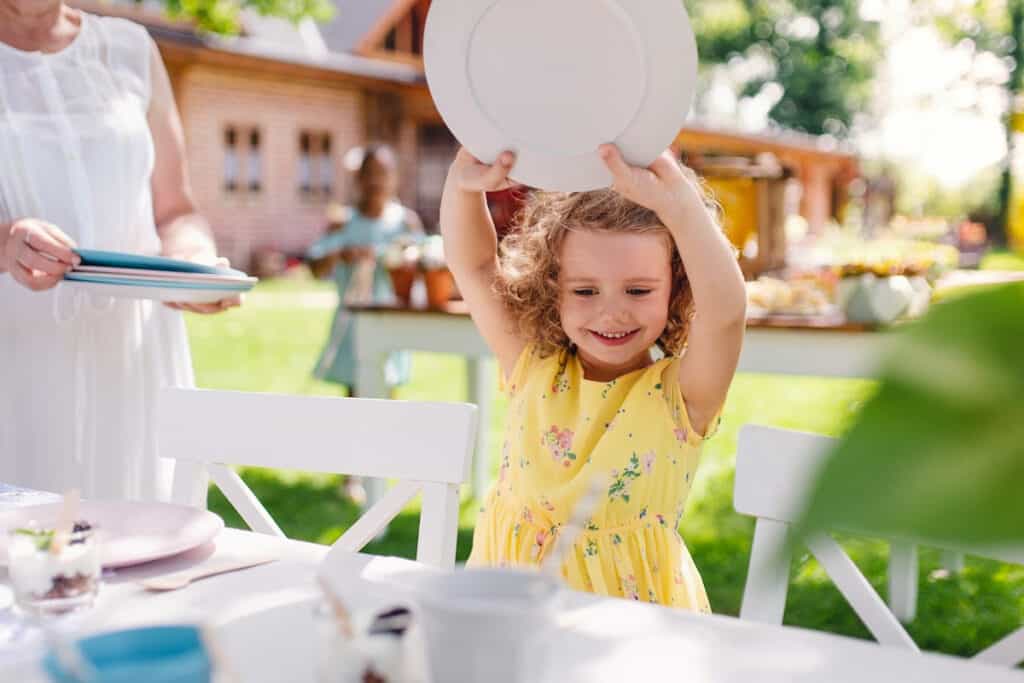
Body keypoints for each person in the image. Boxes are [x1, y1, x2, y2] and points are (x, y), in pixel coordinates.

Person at [440, 145, 747, 610]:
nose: (612, 311)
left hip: (630, 634)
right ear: (551, 288)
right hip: (510, 617)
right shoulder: (532, 364)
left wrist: (679, 207)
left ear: (678, 286)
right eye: (584, 290)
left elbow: (726, 311)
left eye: (638, 290)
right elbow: (476, 265)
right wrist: (462, 188)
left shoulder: (683, 395)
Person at [0, 3, 239, 502]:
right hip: (15, 366)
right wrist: (6, 244)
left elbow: (176, 210)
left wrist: (193, 265)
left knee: (145, 554)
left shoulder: (131, 49)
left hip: (134, 365)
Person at [307, 144, 423, 397]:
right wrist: (341, 253)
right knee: (355, 398)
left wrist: (399, 260)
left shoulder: (404, 222)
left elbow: (422, 267)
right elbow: (315, 266)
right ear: (358, 179)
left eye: (383, 173)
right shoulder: (344, 222)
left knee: (387, 395)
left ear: (395, 178)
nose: (375, 181)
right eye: (368, 173)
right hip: (353, 325)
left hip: (391, 323)